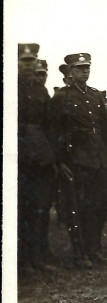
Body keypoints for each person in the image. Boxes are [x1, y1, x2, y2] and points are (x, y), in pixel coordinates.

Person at [47, 52, 107, 267]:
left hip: (98, 157)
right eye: (79, 68)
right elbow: (54, 130)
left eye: (87, 68)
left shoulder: (95, 96)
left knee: (98, 205)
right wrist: (60, 161)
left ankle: (95, 250)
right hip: (75, 158)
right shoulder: (62, 97)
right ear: (71, 71)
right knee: (78, 207)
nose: (84, 71)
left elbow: (104, 128)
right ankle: (80, 254)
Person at [18, 43, 58, 274]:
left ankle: (36, 257)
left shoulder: (39, 89)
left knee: (39, 209)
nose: (30, 64)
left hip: (40, 156)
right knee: (19, 211)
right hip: (19, 156)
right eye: (25, 61)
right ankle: (21, 261)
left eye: (32, 60)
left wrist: (51, 155)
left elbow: (49, 124)